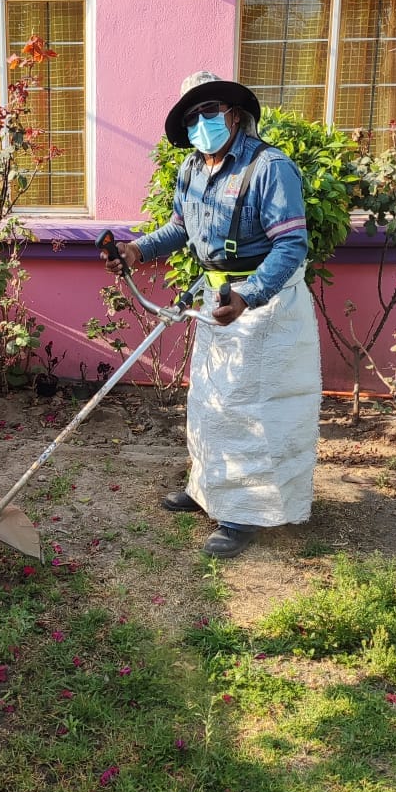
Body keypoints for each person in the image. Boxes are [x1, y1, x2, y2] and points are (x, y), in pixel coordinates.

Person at [104, 71, 321, 558]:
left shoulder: (270, 167)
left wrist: (249, 295)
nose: (201, 123)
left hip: (268, 306)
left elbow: (291, 245)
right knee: (211, 402)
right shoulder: (192, 169)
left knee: (255, 409)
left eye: (209, 112)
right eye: (191, 117)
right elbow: (180, 229)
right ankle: (208, 491)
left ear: (234, 114)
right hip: (217, 299)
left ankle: (245, 512)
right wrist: (136, 251)